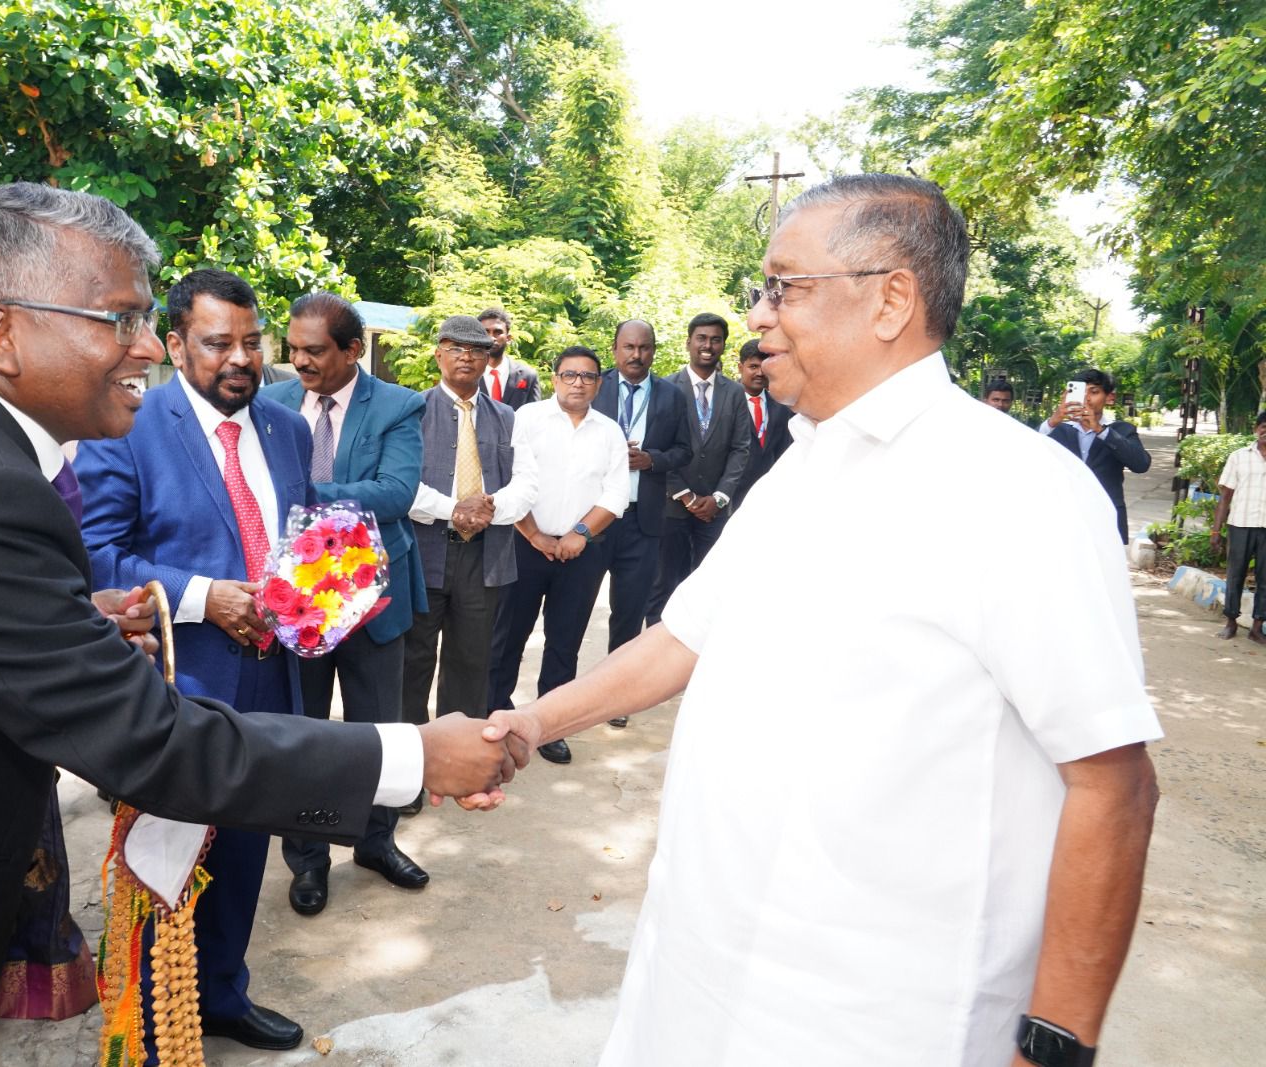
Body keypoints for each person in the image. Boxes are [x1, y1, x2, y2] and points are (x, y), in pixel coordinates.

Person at [0, 183, 520, 1067]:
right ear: (1, 332)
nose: (151, 346)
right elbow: (151, 743)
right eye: (121, 318)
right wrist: (413, 754)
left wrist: (65, 621)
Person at [484, 174, 1162, 1067]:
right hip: (699, 981)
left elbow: (1113, 785)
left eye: (784, 287)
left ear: (890, 300)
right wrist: (531, 722)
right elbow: (682, 639)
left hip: (876, 1017)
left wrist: (1054, 1046)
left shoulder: (1020, 492)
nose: (758, 316)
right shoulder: (801, 469)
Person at [75, 267, 316, 1051]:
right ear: (175, 344)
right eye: (218, 344)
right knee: (164, 859)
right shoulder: (126, 422)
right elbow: (94, 555)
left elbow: (295, 542)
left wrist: (319, 593)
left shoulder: (287, 428)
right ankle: (146, 1019)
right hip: (176, 681)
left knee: (245, 847)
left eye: (253, 341)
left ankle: (221, 993)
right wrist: (206, 596)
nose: (240, 358)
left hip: (272, 674)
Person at [261, 293, 432, 915]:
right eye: (293, 348)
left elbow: (393, 493)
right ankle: (307, 861)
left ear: (352, 350)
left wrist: (301, 495)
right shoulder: (268, 403)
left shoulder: (396, 403)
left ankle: (375, 843)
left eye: (314, 350)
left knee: (380, 731)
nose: (299, 361)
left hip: (372, 601)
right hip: (296, 603)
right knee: (301, 736)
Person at [487, 345, 628, 764]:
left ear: (599, 384)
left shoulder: (609, 431)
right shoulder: (526, 419)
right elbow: (508, 480)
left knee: (564, 641)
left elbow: (617, 492)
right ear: (554, 378)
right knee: (507, 636)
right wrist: (533, 535)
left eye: (587, 377)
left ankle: (550, 727)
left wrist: (580, 533)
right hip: (524, 546)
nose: (578, 383)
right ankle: (494, 716)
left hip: (581, 552)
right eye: (569, 375)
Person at [403, 316, 538, 743]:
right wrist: (452, 510)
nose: (467, 357)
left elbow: (528, 483)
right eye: (456, 348)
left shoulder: (508, 418)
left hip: (484, 556)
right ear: (438, 353)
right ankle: (411, 761)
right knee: (413, 660)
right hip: (421, 555)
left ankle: (456, 754)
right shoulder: (411, 411)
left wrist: (488, 509)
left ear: (489, 358)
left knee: (471, 662)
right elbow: (400, 483)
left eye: (477, 350)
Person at [592, 319, 689, 726]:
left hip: (644, 520)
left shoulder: (671, 394)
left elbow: (684, 450)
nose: (636, 355)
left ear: (654, 350)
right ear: (615, 349)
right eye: (629, 347)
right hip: (593, 519)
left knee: (628, 614)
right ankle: (561, 697)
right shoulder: (594, 387)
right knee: (571, 612)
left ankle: (616, 698)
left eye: (644, 348)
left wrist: (653, 460)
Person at [646, 314, 752, 625]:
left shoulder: (734, 393)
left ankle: (698, 660)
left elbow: (740, 448)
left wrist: (719, 497)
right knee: (663, 587)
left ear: (723, 345)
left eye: (715, 339)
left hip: (715, 510)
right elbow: (659, 448)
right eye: (702, 338)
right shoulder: (665, 388)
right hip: (671, 507)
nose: (708, 345)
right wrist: (686, 496)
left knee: (710, 588)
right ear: (689, 342)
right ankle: (656, 661)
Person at [1040, 368, 1151, 543]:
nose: (1087, 399)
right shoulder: (1058, 429)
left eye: (1094, 392)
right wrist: (1052, 421)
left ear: (1109, 398)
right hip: (1062, 516)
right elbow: (1028, 456)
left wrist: (1100, 430)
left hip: (1105, 516)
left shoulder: (1121, 430)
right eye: (1080, 392)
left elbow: (1141, 464)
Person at [1210, 411, 1266, 643]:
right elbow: (1225, 497)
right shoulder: (1239, 457)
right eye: (1263, 426)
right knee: (1235, 576)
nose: (1265, 431)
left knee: (1265, 580)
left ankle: (1257, 628)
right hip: (1240, 525)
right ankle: (1231, 622)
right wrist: (1216, 530)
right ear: (1255, 429)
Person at [729, 337, 794, 509]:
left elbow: (784, 449)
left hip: (768, 495)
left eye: (764, 367)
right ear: (740, 368)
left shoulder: (783, 405)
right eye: (753, 367)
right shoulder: (724, 402)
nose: (760, 373)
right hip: (728, 496)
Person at [477, 307, 540, 410]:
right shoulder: (466, 375)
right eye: (486, 332)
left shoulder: (528, 375)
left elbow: (535, 417)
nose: (492, 338)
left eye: (498, 332)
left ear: (508, 338)